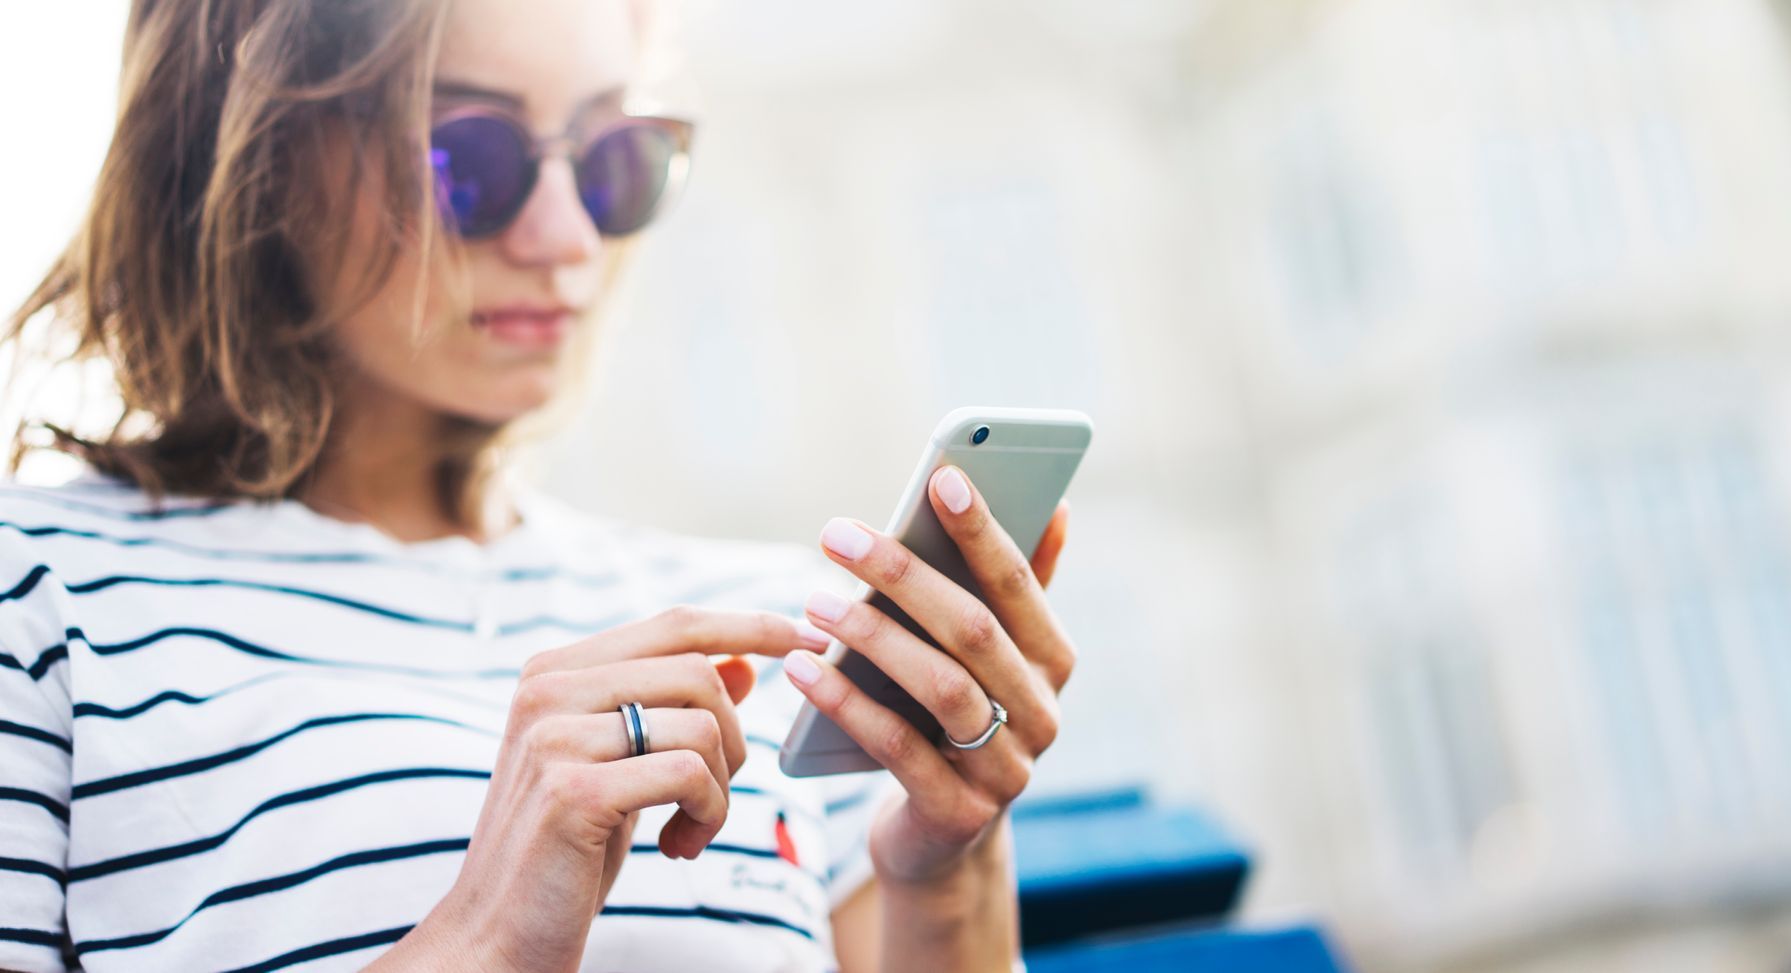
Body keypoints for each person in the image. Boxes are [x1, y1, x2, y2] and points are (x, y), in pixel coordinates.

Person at [0, 0, 1076, 970]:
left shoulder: (783, 633)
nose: (567, 239)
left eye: (618, 158)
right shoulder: (40, 594)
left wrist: (948, 868)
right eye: (467, 158)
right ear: (254, 158)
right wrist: (486, 940)